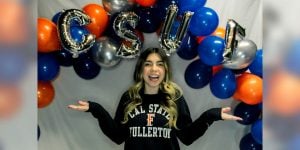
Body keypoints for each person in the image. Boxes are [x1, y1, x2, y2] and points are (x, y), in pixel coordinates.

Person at [68, 48, 242, 150]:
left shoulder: (174, 97)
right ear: (141, 70)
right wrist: (96, 109)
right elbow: (117, 136)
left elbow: (187, 137)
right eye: (148, 64)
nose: (154, 69)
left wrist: (212, 114)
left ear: (165, 70)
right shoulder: (130, 97)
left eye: (159, 64)